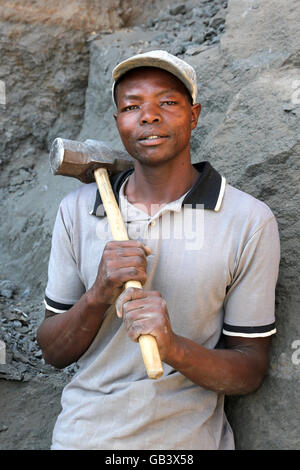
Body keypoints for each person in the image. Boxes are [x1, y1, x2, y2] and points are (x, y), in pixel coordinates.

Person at [37, 50, 280, 450]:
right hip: (84, 438)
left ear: (195, 114)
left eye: (167, 102)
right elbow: (53, 351)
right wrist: (99, 293)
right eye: (132, 106)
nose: (149, 116)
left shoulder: (249, 220)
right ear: (118, 124)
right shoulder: (77, 210)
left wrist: (172, 346)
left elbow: (249, 371)